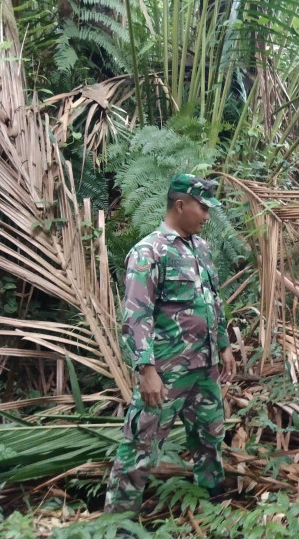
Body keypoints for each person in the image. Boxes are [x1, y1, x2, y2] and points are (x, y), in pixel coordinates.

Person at [105, 174, 236, 513]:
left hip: (204, 368)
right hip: (166, 373)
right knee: (140, 445)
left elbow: (213, 301)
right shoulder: (148, 252)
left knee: (210, 437)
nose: (207, 215)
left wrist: (224, 345)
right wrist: (146, 369)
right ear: (180, 205)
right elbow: (136, 314)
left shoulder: (202, 249)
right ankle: (117, 523)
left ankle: (213, 500)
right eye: (202, 207)